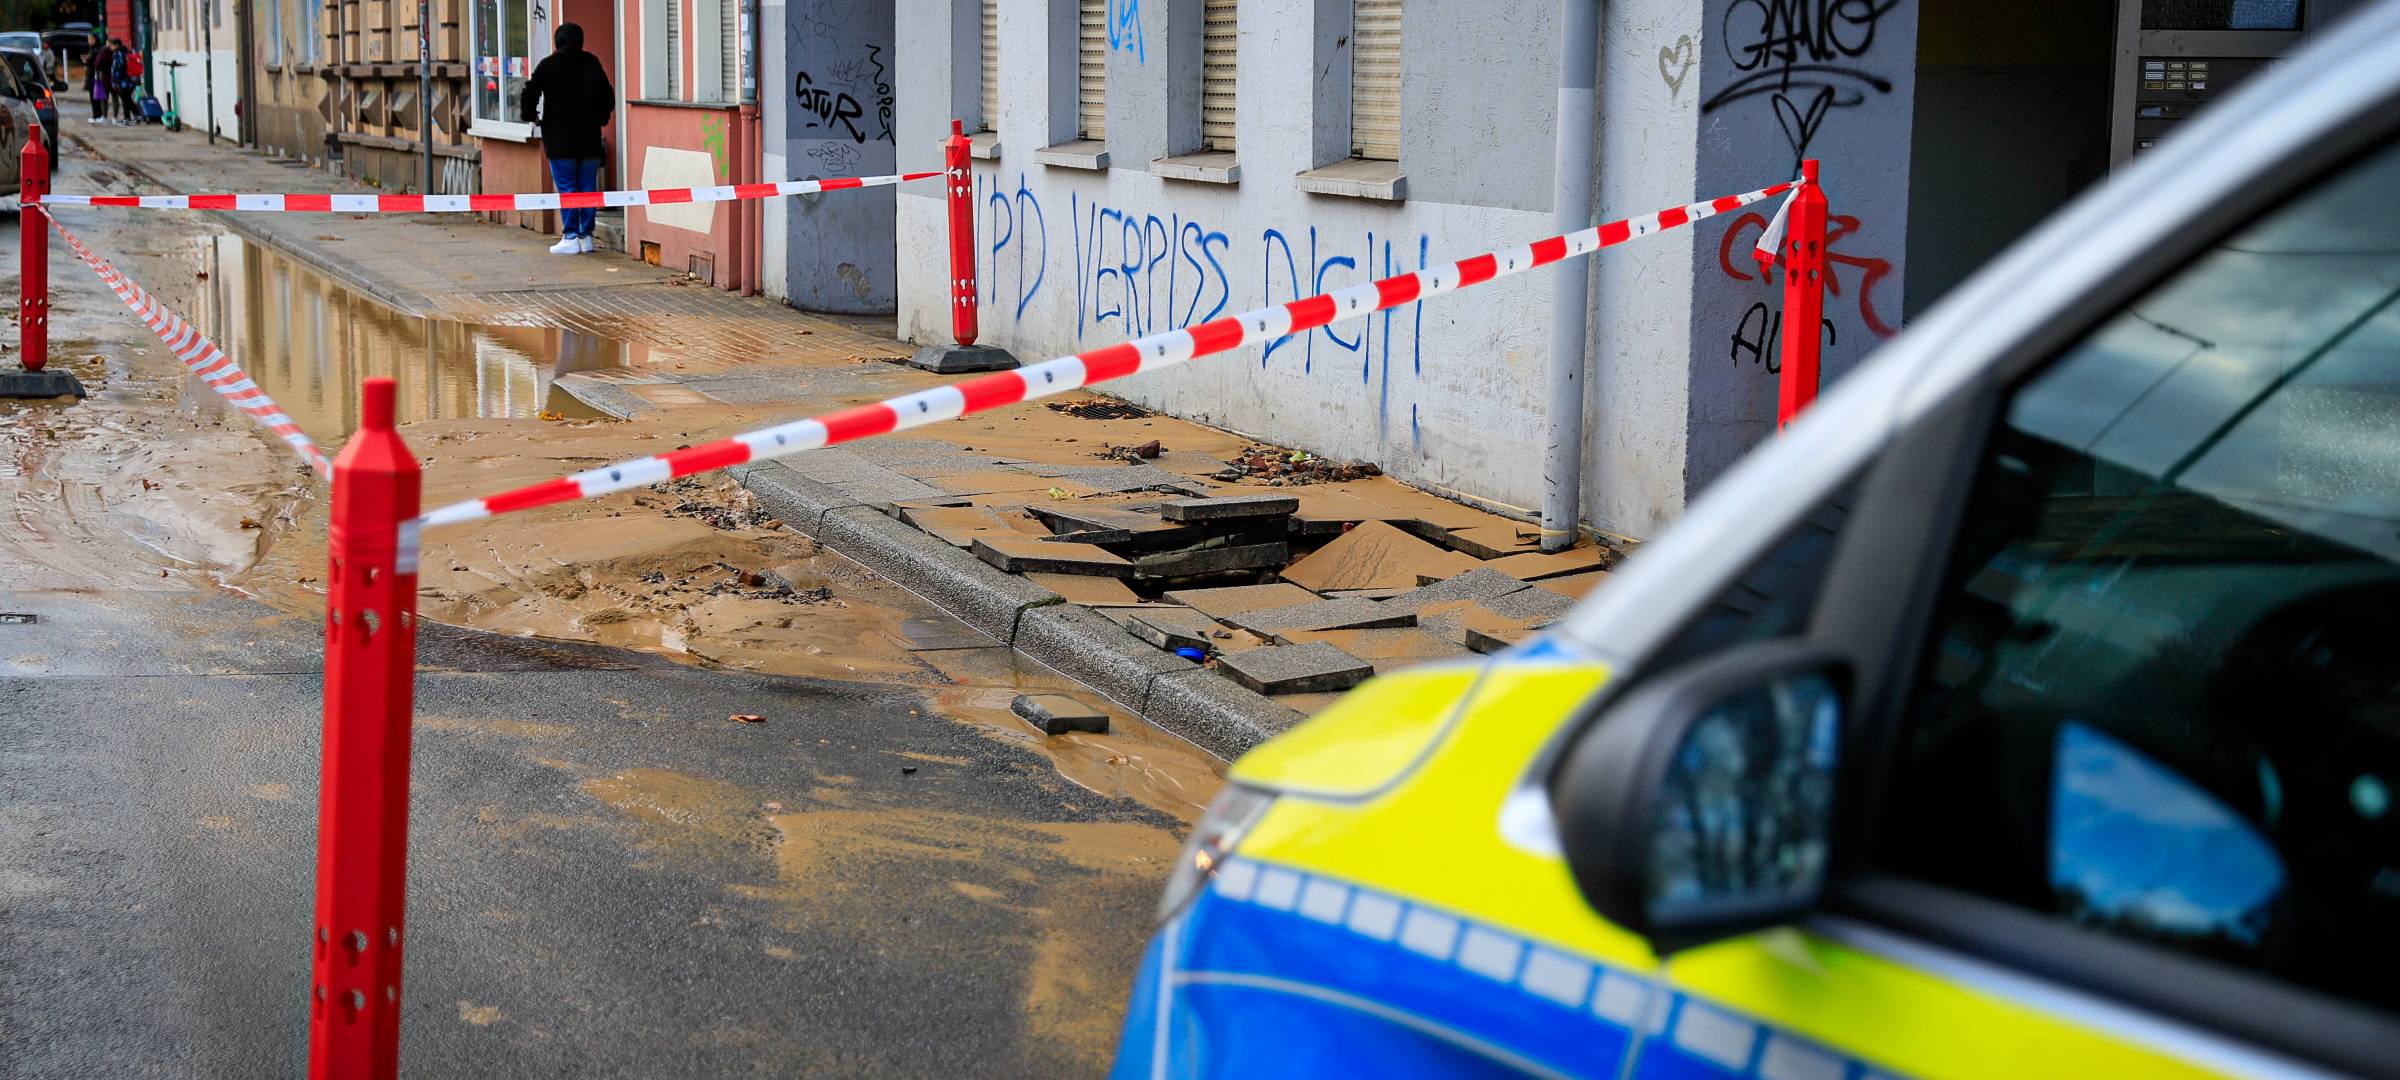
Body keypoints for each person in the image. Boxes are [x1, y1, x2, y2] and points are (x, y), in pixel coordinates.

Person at [519, 23, 614, 255]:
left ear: (557, 41)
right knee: (588, 187)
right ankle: (586, 236)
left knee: (568, 188)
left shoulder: (549, 65)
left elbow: (529, 91)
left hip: (560, 140)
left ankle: (571, 235)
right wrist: (600, 119)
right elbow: (607, 96)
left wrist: (532, 116)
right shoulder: (591, 63)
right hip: (589, 138)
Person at [85, 39, 108, 123]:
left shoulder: (98, 50)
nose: (89, 41)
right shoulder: (92, 49)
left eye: (91, 39)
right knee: (94, 96)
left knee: (96, 96)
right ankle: (97, 115)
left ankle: (98, 115)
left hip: (96, 77)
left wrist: (88, 59)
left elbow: (96, 63)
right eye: (89, 39)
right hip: (93, 76)